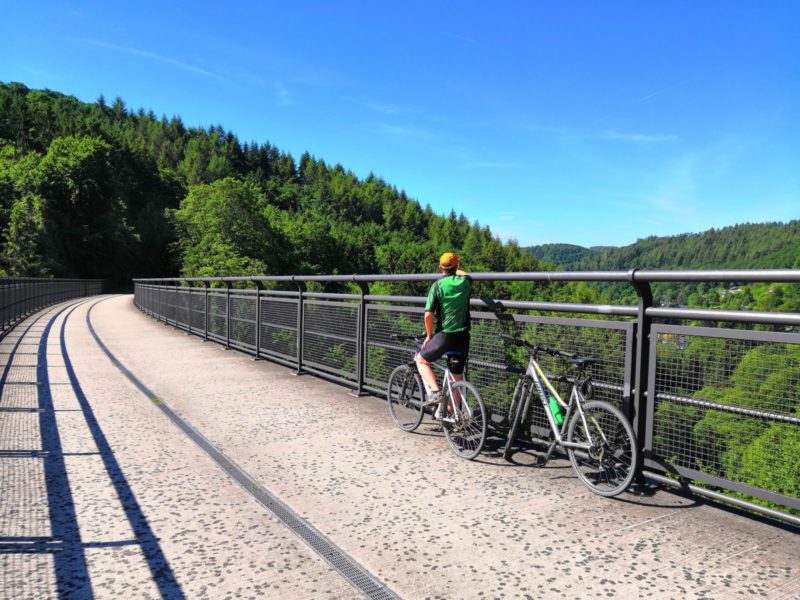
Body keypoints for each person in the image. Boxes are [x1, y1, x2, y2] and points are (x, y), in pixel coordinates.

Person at [415, 251, 472, 418]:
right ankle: (453, 417)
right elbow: (466, 275)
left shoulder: (437, 286)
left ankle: (436, 392)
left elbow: (428, 314)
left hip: (445, 336)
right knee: (456, 379)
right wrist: (457, 270)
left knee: (422, 360)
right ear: (457, 266)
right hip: (463, 336)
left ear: (441, 267)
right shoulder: (465, 282)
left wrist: (429, 335)